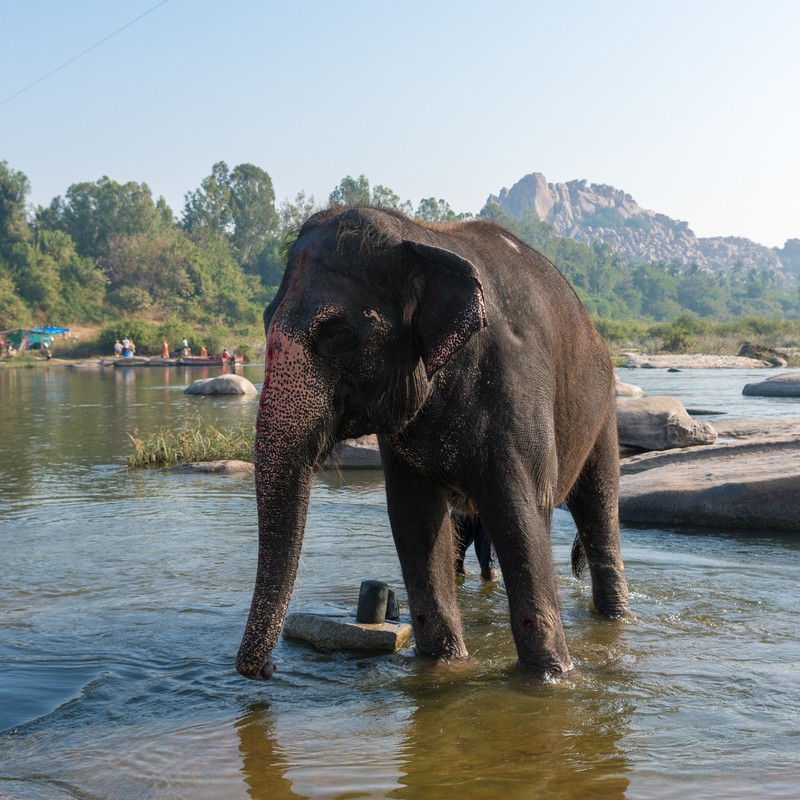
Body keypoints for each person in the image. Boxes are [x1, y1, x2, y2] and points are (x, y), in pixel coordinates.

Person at [451, 512, 498, 581]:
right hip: (461, 508)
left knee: (487, 568)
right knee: (455, 563)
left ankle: (489, 589)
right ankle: (459, 587)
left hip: (488, 510)